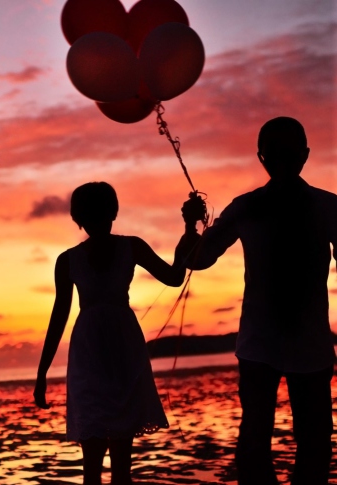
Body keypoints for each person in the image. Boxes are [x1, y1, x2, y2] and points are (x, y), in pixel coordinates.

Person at [181, 117, 336, 484]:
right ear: (262, 158)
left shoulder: (325, 207)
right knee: (261, 444)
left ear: (304, 155)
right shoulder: (250, 208)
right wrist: (191, 227)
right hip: (264, 347)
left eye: (287, 153)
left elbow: (196, 260)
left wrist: (191, 230)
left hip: (295, 346)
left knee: (303, 443)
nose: (280, 161)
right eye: (274, 154)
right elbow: (197, 260)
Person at [34, 181, 200, 485]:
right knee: (109, 456)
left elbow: (175, 277)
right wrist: (41, 373)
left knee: (106, 459)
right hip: (105, 348)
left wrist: (190, 230)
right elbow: (175, 276)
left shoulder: (115, 249)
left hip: (111, 347)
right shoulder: (76, 258)